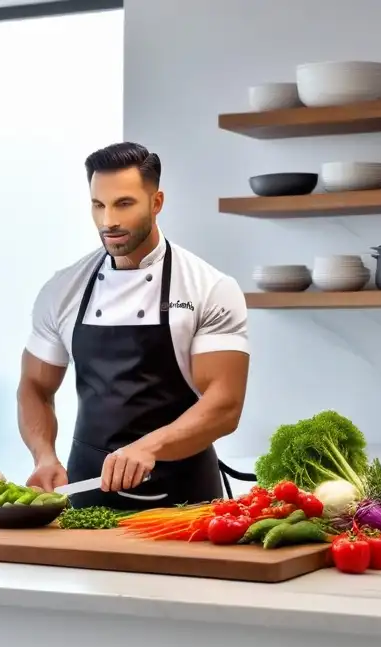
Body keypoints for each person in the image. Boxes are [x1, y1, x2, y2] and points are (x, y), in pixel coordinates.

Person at [16, 141, 250, 510]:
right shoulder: (63, 289)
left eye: (124, 204)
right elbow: (34, 386)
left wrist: (148, 447)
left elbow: (224, 404)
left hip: (184, 499)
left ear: (156, 202)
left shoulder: (210, 288)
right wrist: (44, 456)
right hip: (86, 491)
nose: (109, 220)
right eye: (98, 205)